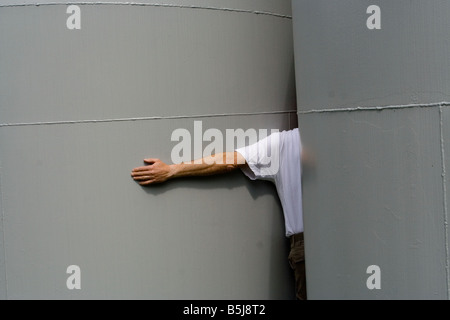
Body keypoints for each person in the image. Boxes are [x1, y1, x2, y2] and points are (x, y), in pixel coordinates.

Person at [131, 128, 308, 300]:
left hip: (304, 246)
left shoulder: (286, 142)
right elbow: (228, 160)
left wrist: (173, 170)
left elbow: (227, 160)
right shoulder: (287, 143)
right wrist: (171, 171)